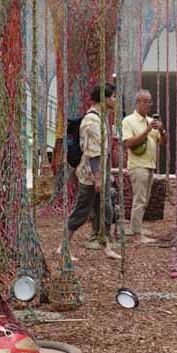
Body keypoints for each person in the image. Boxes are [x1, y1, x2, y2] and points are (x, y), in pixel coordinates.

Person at [61, 83, 121, 262]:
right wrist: (98, 178)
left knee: (106, 210)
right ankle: (63, 246)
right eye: (113, 97)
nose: (115, 100)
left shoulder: (101, 118)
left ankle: (106, 246)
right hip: (90, 175)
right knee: (82, 210)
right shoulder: (92, 121)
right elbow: (93, 152)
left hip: (99, 173)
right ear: (104, 98)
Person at [121, 89, 164, 243]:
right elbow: (128, 143)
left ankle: (136, 227)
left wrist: (162, 130)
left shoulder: (151, 121)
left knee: (145, 200)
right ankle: (136, 234)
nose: (149, 105)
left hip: (150, 164)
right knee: (139, 199)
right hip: (138, 165)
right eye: (146, 101)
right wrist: (147, 131)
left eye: (150, 101)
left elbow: (163, 142)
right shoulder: (128, 121)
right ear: (138, 102)